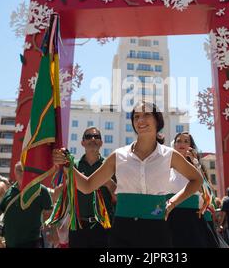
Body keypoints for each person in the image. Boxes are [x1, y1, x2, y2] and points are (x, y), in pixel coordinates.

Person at [53, 101, 202, 248]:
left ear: (157, 120)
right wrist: (68, 167)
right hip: (122, 230)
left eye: (146, 115)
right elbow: (87, 186)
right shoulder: (119, 155)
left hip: (157, 229)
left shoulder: (169, 155)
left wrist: (172, 203)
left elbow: (197, 180)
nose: (140, 120)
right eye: (136, 117)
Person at [67, 127, 116, 248]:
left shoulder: (110, 166)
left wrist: (109, 183)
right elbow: (63, 195)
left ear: (101, 142)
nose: (93, 139)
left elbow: (119, 197)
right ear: (82, 142)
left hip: (103, 227)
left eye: (96, 136)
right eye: (88, 137)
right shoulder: (73, 166)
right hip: (78, 226)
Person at [167, 132, 219, 247]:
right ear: (174, 145)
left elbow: (206, 195)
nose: (182, 144)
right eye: (179, 141)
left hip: (191, 219)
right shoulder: (167, 168)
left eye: (186, 141)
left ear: (191, 147)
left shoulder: (196, 169)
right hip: (171, 218)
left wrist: (196, 164)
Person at [0, 162, 53, 248]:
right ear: (15, 172)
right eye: (20, 170)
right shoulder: (10, 191)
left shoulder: (40, 190)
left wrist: (51, 232)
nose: (23, 173)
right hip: (9, 241)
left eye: (25, 170)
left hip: (31, 242)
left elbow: (49, 213)